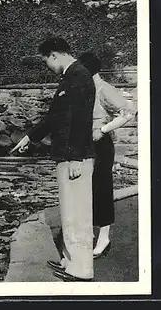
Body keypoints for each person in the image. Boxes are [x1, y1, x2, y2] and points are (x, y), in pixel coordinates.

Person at [11, 37, 96, 282]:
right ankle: (71, 263)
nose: (46, 65)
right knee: (69, 211)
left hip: (74, 157)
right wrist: (30, 138)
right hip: (68, 155)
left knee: (78, 212)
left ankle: (82, 270)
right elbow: (55, 118)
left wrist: (76, 158)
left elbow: (80, 120)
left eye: (46, 60)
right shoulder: (71, 77)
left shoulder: (79, 77)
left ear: (55, 55)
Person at [78, 52, 137, 257]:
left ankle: (104, 239)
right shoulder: (84, 89)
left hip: (101, 145)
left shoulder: (104, 89)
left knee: (102, 189)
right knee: (86, 190)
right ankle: (87, 236)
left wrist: (103, 129)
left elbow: (129, 111)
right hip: (84, 145)